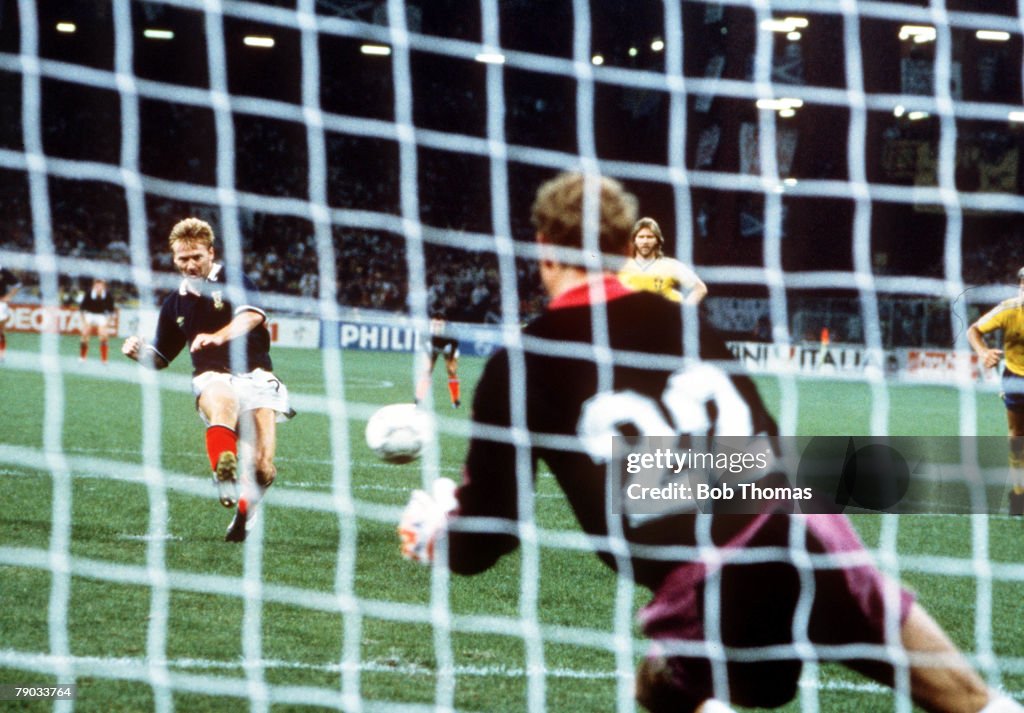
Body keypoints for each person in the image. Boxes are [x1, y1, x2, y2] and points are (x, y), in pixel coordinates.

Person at [398, 173, 1019, 713]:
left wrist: (437, 530)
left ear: (541, 247)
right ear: (623, 249)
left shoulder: (527, 360)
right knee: (969, 698)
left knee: (662, 687)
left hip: (717, 580)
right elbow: (766, 444)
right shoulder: (688, 323)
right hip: (812, 530)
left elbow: (491, 535)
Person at [122, 217, 293, 542]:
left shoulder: (232, 279)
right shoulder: (174, 304)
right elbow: (160, 359)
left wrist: (217, 336)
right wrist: (139, 352)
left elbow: (253, 315)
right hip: (213, 378)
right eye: (182, 259)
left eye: (196, 257)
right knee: (221, 399)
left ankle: (246, 509)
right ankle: (224, 474)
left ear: (210, 253)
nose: (190, 264)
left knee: (261, 469)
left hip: (257, 378)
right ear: (174, 260)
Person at [968, 266, 1024, 517]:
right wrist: (983, 352)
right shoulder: (1009, 309)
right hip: (1016, 378)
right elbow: (974, 331)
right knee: (1017, 436)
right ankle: (1019, 494)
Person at [619, 217, 708, 305]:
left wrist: (684, 307)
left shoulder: (670, 265)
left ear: (657, 240)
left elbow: (700, 288)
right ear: (634, 240)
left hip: (665, 317)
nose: (645, 241)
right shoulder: (621, 266)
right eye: (641, 237)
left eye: (650, 237)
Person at [415, 315, 461, 408]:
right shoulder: (427, 330)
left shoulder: (450, 330)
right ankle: (419, 398)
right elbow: (423, 343)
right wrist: (429, 358)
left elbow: (455, 344)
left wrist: (451, 360)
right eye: (435, 324)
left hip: (448, 348)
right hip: (433, 348)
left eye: (439, 324)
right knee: (427, 371)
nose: (437, 326)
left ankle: (455, 400)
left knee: (452, 371)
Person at [78, 278, 116, 364]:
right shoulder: (89, 293)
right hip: (89, 314)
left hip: (101, 315)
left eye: (100, 285)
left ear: (104, 286)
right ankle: (82, 358)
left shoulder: (108, 295)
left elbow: (111, 312)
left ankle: (104, 360)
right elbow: (82, 310)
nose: (98, 286)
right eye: (96, 284)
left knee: (103, 336)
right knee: (84, 334)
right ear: (94, 286)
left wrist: (107, 324)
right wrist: (84, 323)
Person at [0, 264, 21, 362]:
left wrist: (9, 296)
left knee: (0, 330)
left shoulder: (3, 271)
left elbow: (17, 284)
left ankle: (1, 354)